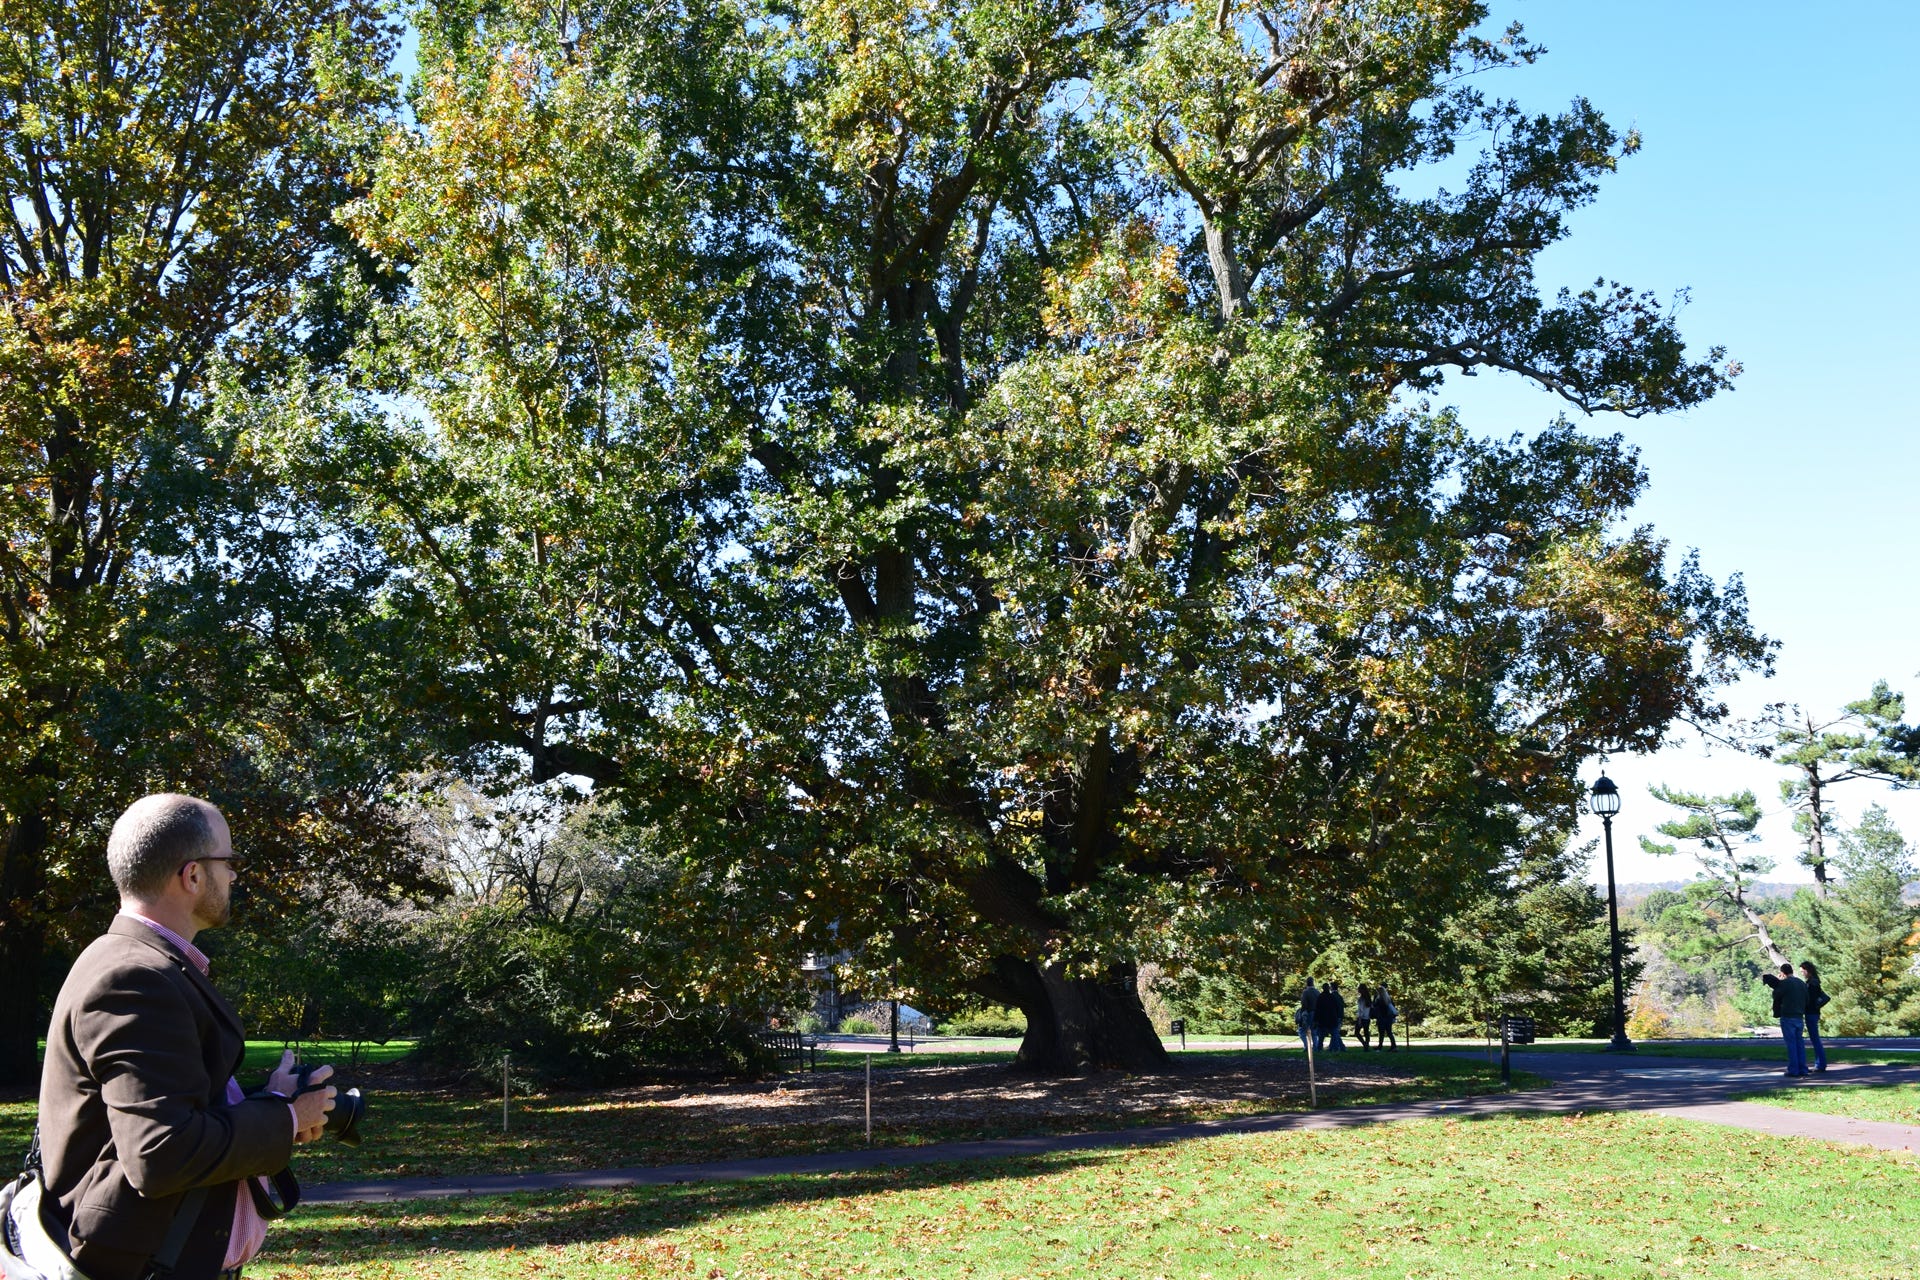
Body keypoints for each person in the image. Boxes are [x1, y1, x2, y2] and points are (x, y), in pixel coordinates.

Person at [33, 794, 337, 1280]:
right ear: (193, 876)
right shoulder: (136, 977)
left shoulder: (132, 961)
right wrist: (283, 1116)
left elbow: (171, 1108)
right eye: (230, 861)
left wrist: (271, 1100)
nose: (235, 876)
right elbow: (161, 1152)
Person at [1767, 960, 1810, 1078]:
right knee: (1799, 1043)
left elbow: (1776, 995)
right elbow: (1807, 999)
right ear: (1792, 971)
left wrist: (1778, 982)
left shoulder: (1784, 984)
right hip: (1799, 1016)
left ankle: (1793, 1069)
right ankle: (1803, 1068)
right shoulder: (1801, 983)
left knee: (1791, 1044)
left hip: (1787, 1016)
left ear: (1782, 973)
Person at [1799, 960, 1830, 1073]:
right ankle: (1820, 1063)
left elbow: (1810, 999)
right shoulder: (1814, 982)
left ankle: (1820, 1064)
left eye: (1803, 971)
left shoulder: (1812, 983)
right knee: (1815, 1039)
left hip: (1811, 1013)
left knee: (1815, 1039)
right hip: (1813, 1012)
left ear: (1808, 971)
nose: (1802, 973)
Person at [1315, 981, 1346, 1052]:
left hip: (1323, 1019)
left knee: (1322, 1035)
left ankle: (1320, 1048)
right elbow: (1338, 1008)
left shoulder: (1321, 997)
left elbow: (1318, 1009)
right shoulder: (1333, 997)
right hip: (1332, 1019)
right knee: (1334, 1034)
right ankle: (1336, 1048)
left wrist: (1316, 1019)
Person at [1295, 979, 1319, 1054]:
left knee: (1301, 1031)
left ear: (1307, 983)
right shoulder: (1317, 992)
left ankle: (1306, 1046)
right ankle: (1315, 1047)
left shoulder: (1305, 992)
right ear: (1313, 983)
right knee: (1314, 1032)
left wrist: (1302, 1013)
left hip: (1309, 1013)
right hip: (1317, 1013)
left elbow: (1304, 1004)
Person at [1373, 983, 1399, 1050]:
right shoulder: (1388, 999)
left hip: (1381, 1017)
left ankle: (1380, 1046)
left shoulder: (1378, 1000)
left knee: (1381, 1032)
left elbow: (1374, 1006)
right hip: (1388, 1017)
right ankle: (1393, 1045)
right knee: (1389, 1032)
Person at [1353, 984, 1373, 1050]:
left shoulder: (1361, 999)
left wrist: (1359, 1019)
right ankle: (1366, 1044)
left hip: (1362, 1018)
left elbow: (1361, 1010)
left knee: (1357, 1032)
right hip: (1367, 1018)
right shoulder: (1368, 998)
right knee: (1366, 1032)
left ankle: (1364, 1044)